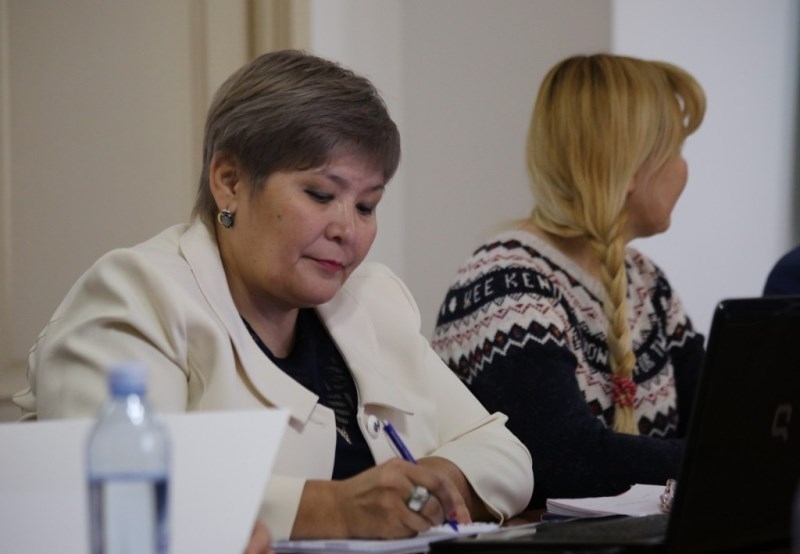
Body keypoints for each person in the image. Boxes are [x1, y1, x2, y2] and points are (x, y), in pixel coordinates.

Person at [13, 50, 533, 543]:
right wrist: (334, 509)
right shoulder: (137, 293)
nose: (347, 230)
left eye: (366, 206)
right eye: (321, 195)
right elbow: (125, 491)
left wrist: (435, 482)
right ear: (230, 182)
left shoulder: (374, 301)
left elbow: (504, 454)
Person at [432, 53, 706, 508]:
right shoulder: (504, 284)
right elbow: (564, 460)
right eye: (676, 149)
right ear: (630, 167)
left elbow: (721, 424)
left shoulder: (648, 284)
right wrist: (724, 460)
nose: (684, 169)